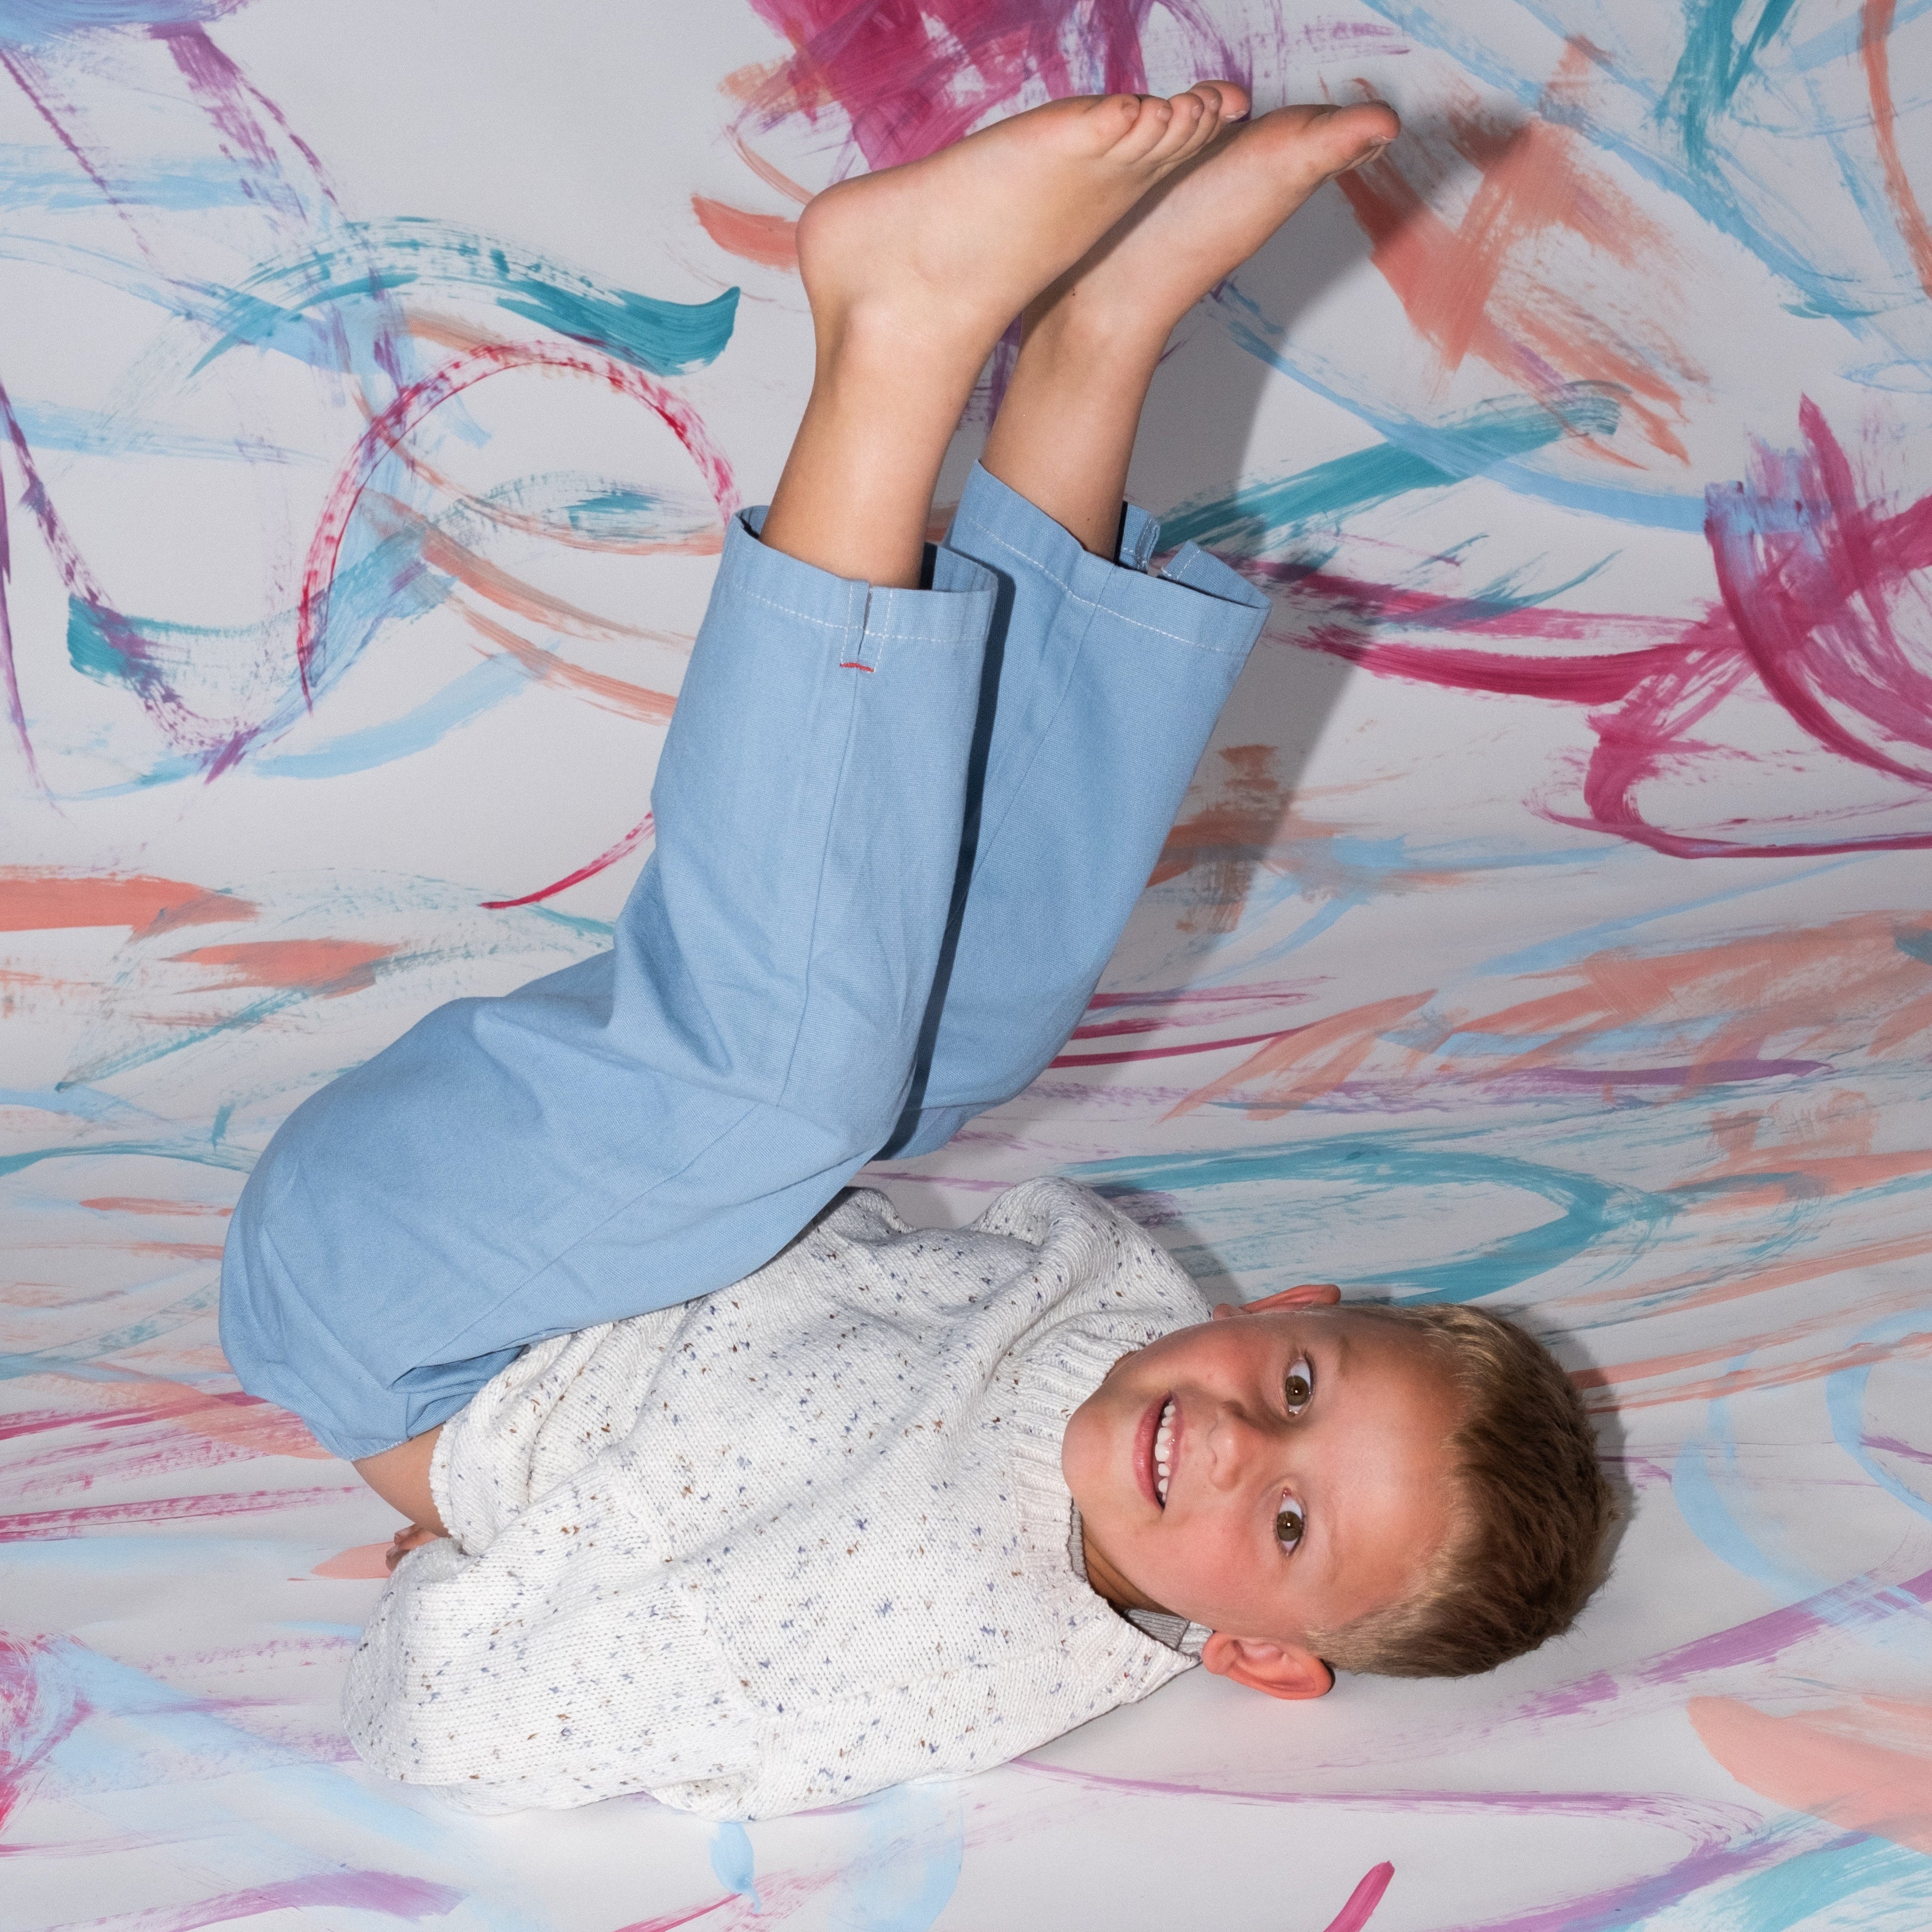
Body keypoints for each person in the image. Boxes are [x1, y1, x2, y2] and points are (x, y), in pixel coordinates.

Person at [219, 82, 1610, 1818]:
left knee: (795, 1075)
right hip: (583, 1227)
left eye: (1285, 1520)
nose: (1242, 1440)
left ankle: (898, 333)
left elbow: (469, 1728)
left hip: (402, 1318)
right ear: (1289, 1308)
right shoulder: (1123, 1327)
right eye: (1298, 1383)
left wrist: (465, 1561)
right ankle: (1098, 339)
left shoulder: (948, 1647)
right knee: (973, 1016)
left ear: (1255, 1652)